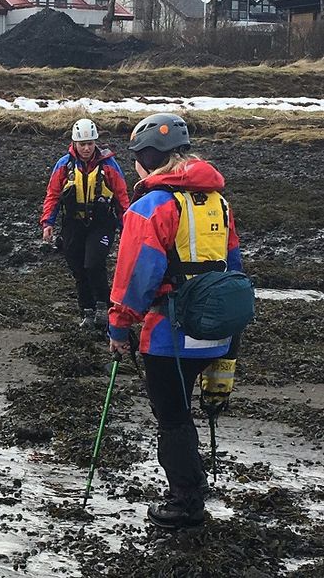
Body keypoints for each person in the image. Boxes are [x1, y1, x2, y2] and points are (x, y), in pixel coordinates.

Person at [107, 113, 243, 529]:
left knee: (173, 418)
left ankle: (186, 502)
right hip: (220, 330)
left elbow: (136, 277)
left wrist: (118, 325)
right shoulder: (217, 202)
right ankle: (193, 487)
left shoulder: (150, 207)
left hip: (171, 334)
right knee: (184, 414)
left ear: (147, 158)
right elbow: (233, 263)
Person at [41, 118, 130, 329]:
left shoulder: (109, 165)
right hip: (73, 224)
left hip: (101, 223)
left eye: (90, 143)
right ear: (75, 143)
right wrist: (48, 222)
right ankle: (87, 312)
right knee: (79, 269)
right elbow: (53, 195)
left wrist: (127, 226)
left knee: (93, 263)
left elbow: (121, 197)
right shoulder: (64, 165)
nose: (87, 148)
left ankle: (102, 306)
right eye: (83, 144)